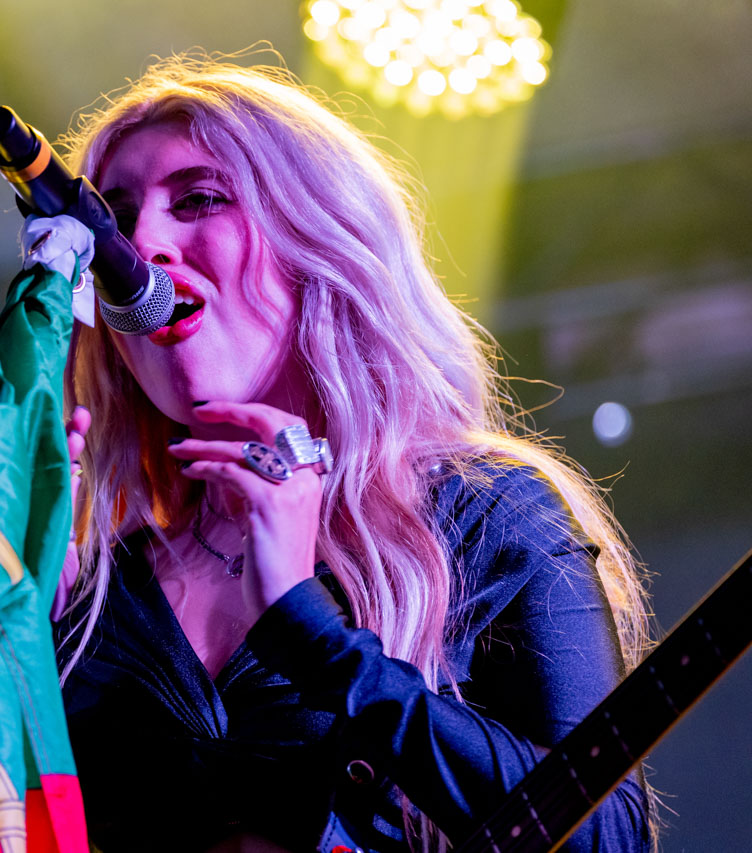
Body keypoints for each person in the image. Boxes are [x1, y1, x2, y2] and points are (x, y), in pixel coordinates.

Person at [38, 53, 654, 853]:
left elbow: (605, 834)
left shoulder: (483, 513)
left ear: (315, 240)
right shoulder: (96, 591)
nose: (142, 242)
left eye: (199, 199)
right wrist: (15, 641)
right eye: (115, 222)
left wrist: (311, 629)